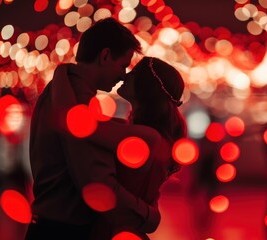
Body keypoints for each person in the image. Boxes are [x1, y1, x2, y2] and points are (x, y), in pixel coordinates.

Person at [26, 18, 160, 240]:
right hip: (65, 231)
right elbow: (95, 181)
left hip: (48, 225)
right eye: (122, 65)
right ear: (105, 56)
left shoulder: (59, 88)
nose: (124, 75)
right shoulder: (78, 102)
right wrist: (148, 217)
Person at [52, 56, 187, 239]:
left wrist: (61, 73)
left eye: (133, 74)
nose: (125, 77)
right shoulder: (141, 132)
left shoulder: (148, 137)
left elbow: (75, 123)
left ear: (146, 87)